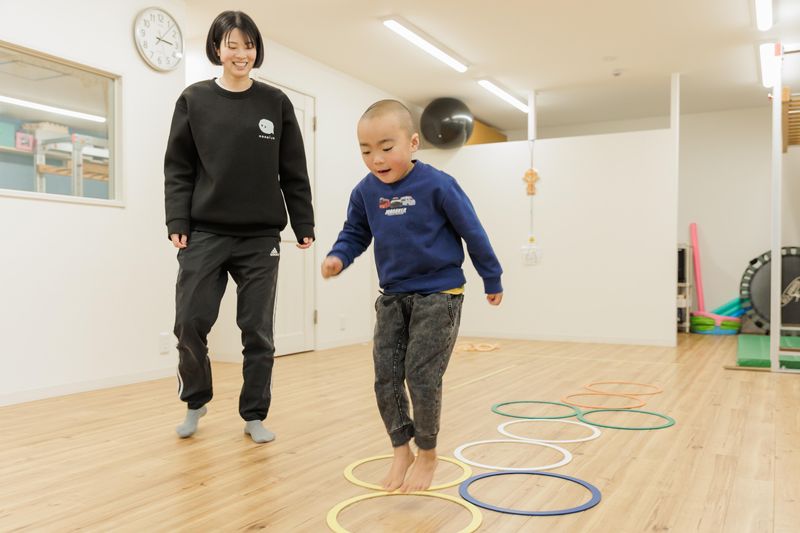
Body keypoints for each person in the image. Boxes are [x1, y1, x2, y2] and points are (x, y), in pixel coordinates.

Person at [321, 100, 502, 491]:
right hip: (393, 296)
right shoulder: (365, 192)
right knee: (385, 376)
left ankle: (428, 453)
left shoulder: (438, 185)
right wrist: (338, 257)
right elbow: (355, 233)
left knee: (421, 375)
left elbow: (473, 231)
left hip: (440, 294)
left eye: (387, 148)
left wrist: (492, 277)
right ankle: (400, 448)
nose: (376, 159)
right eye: (366, 150)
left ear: (413, 143)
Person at [164, 11, 314, 444]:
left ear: (256, 50)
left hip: (260, 236)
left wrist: (303, 221)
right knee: (189, 321)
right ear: (217, 49)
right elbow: (178, 168)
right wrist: (177, 219)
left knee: (258, 331)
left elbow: (293, 170)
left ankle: (254, 414)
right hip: (205, 231)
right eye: (232, 45)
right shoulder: (194, 99)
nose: (241, 53)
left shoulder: (275, 103)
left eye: (248, 45)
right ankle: (195, 401)